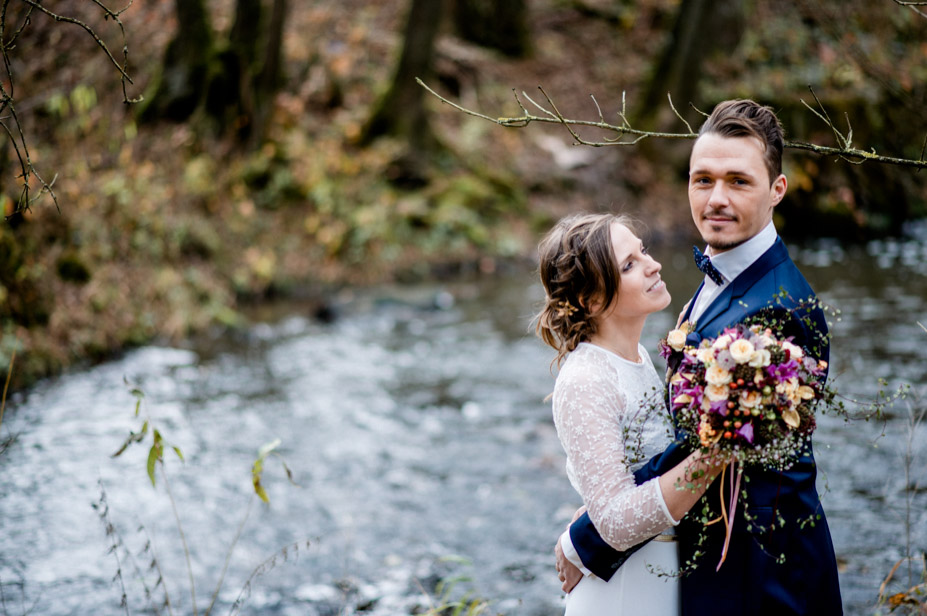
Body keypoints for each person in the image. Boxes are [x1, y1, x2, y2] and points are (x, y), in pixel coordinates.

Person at [557, 100, 843, 615]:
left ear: (777, 190)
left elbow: (705, 446)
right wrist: (608, 498)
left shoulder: (777, 312)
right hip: (706, 554)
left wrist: (590, 535)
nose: (716, 199)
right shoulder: (721, 274)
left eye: (738, 181)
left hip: (760, 568)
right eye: (702, 179)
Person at [536, 213, 728, 615]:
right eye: (629, 265)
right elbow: (615, 522)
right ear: (591, 300)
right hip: (623, 591)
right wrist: (719, 452)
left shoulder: (637, 355)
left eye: (643, 251)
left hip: (661, 575)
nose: (653, 264)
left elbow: (630, 476)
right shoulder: (586, 380)